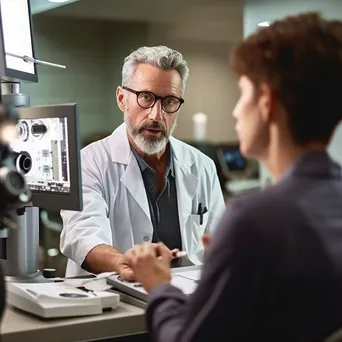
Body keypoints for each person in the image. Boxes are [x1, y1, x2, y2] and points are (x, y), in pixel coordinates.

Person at [123, 12, 342, 341]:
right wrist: (231, 255)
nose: (237, 110)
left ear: (266, 102)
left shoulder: (255, 219)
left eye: (243, 93)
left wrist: (159, 287)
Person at [60, 45, 225, 278]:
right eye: (146, 97)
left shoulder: (202, 166)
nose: (156, 115)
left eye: (169, 101)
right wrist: (125, 264)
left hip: (183, 300)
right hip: (111, 301)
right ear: (121, 99)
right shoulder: (89, 162)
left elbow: (217, 243)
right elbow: (82, 235)